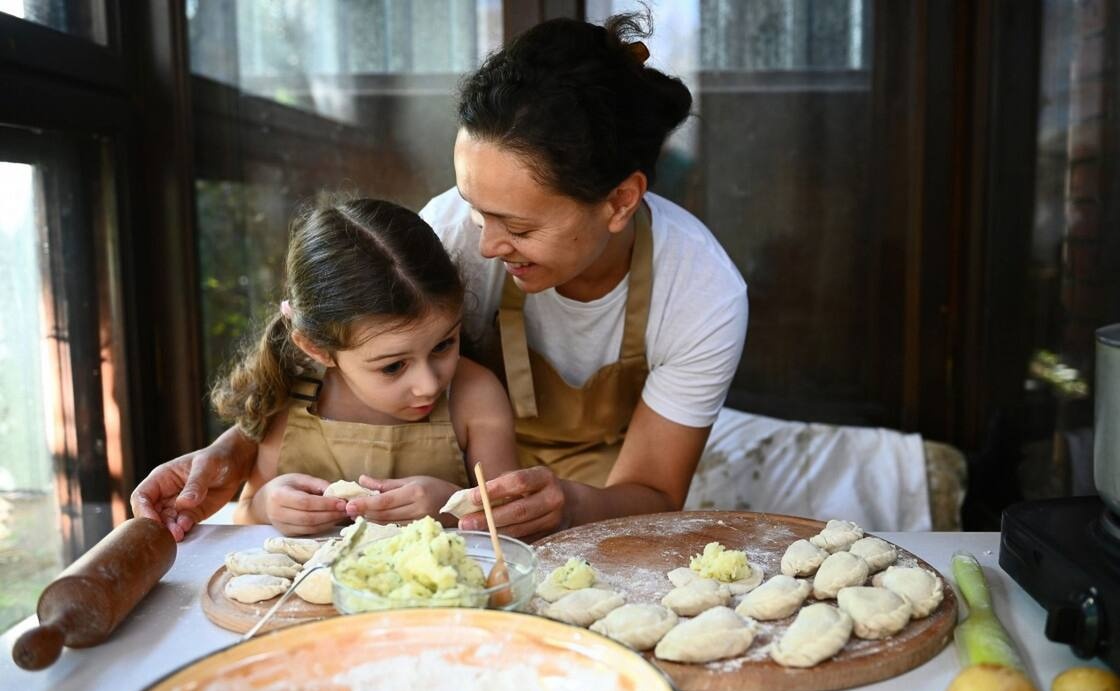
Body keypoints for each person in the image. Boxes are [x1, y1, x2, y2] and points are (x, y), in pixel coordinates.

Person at [133, 11, 747, 541]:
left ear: (619, 202)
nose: (482, 243)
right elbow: (346, 341)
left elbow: (656, 495)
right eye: (476, 208)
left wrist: (565, 501)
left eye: (518, 227)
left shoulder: (700, 294)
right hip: (458, 497)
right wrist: (231, 454)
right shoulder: (453, 230)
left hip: (600, 510)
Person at [189, 197, 517, 537]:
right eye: (392, 367)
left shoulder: (476, 397)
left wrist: (451, 506)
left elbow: (509, 528)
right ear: (317, 349)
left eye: (444, 345)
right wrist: (269, 504)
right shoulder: (292, 398)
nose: (428, 385)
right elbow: (246, 518)